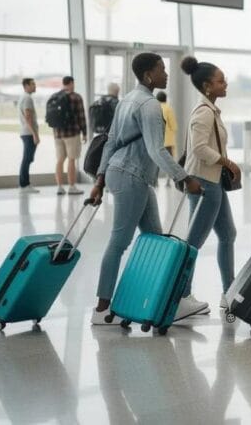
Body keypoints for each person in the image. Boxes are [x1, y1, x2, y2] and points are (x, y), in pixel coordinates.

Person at [88, 53, 202, 325]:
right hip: (131, 175)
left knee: (156, 241)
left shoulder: (127, 99)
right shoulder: (150, 105)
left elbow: (110, 142)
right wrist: (184, 178)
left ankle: (162, 300)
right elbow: (156, 150)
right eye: (162, 69)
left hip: (124, 173)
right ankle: (102, 309)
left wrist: (99, 180)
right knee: (119, 241)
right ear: (149, 75)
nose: (166, 74)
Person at [179, 56, 241, 319]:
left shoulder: (210, 109)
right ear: (207, 86)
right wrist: (227, 162)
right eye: (220, 81)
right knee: (194, 242)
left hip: (212, 181)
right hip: (204, 182)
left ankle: (229, 292)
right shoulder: (204, 112)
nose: (225, 84)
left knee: (228, 234)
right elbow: (198, 149)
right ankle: (181, 296)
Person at [51, 76, 87, 196]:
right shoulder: (76, 97)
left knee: (60, 160)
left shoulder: (54, 96)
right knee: (72, 159)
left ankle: (60, 187)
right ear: (71, 83)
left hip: (57, 134)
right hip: (72, 133)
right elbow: (81, 116)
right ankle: (72, 187)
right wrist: (84, 133)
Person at [18, 78, 40, 193]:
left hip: (26, 132)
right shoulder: (27, 98)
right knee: (27, 159)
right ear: (26, 86)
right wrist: (35, 134)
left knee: (27, 159)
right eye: (32, 84)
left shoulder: (24, 97)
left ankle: (25, 184)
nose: (35, 86)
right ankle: (24, 185)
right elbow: (28, 116)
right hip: (28, 133)